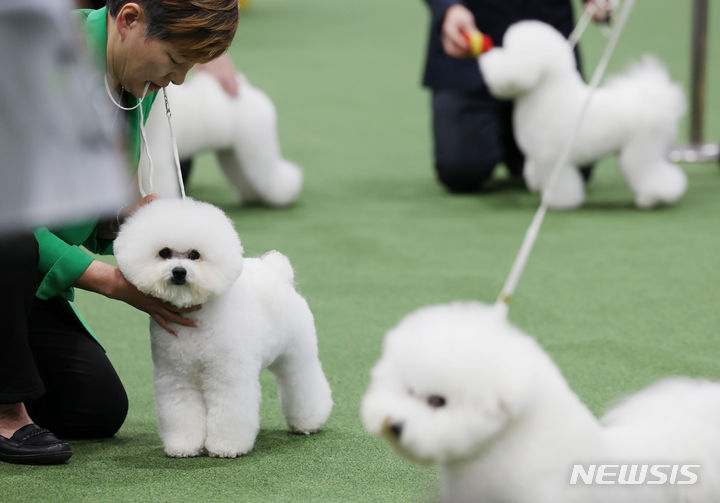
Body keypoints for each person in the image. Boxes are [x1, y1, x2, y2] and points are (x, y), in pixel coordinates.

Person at [0, 0, 238, 465]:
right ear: (129, 20)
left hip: (19, 272)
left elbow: (66, 197)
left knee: (94, 409)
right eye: (175, 61)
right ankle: (7, 413)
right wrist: (108, 280)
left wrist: (123, 218)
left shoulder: (134, 78)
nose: (178, 80)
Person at [422, 0, 610, 193]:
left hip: (550, 51)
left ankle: (515, 141)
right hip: (469, 47)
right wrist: (448, 8)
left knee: (575, 165)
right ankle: (506, 134)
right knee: (461, 172)